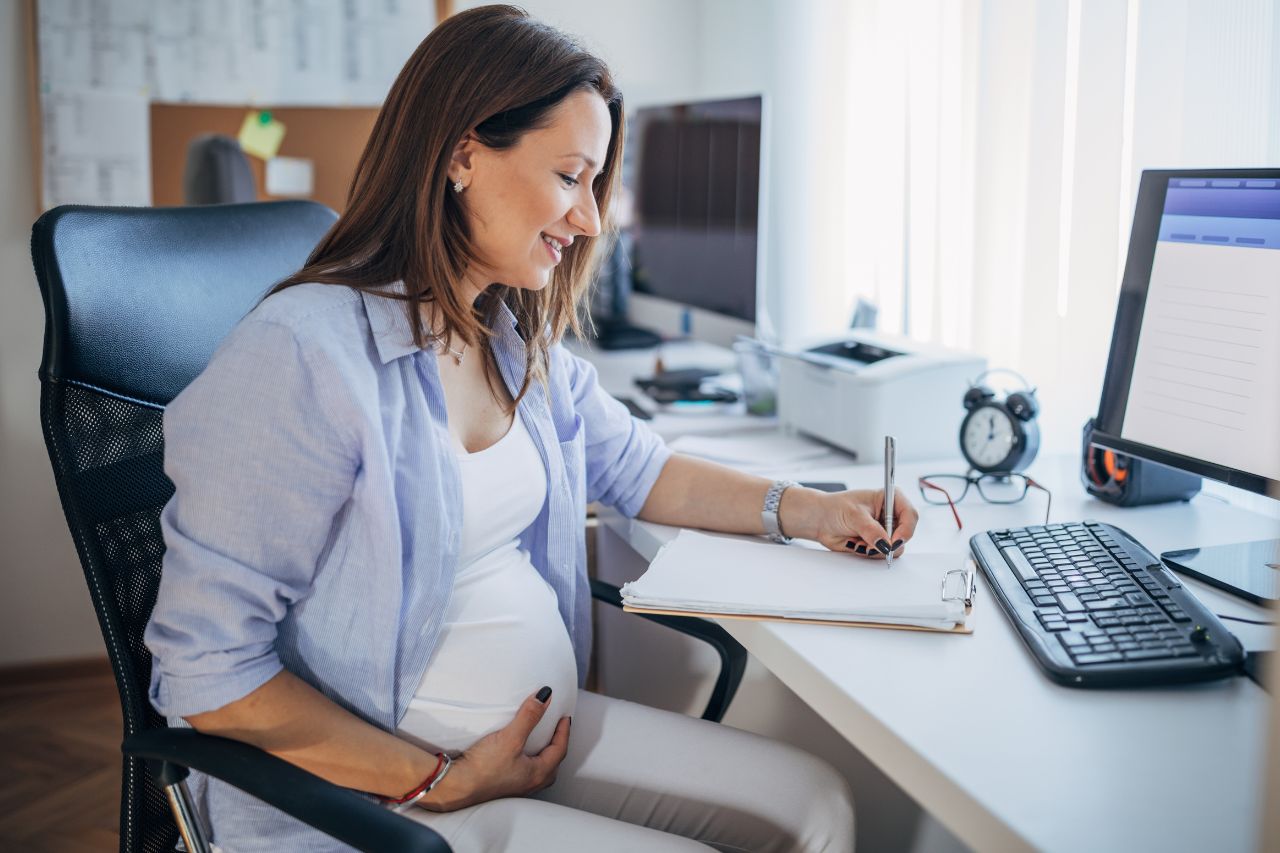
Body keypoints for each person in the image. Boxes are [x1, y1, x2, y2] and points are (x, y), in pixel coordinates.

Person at [144, 6, 919, 851]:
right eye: (570, 176)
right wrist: (434, 777)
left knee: (817, 804)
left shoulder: (509, 341)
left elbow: (644, 471)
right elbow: (206, 672)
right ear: (463, 154)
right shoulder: (302, 356)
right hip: (377, 798)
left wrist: (814, 508)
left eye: (595, 185)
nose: (589, 219)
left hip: (520, 746)